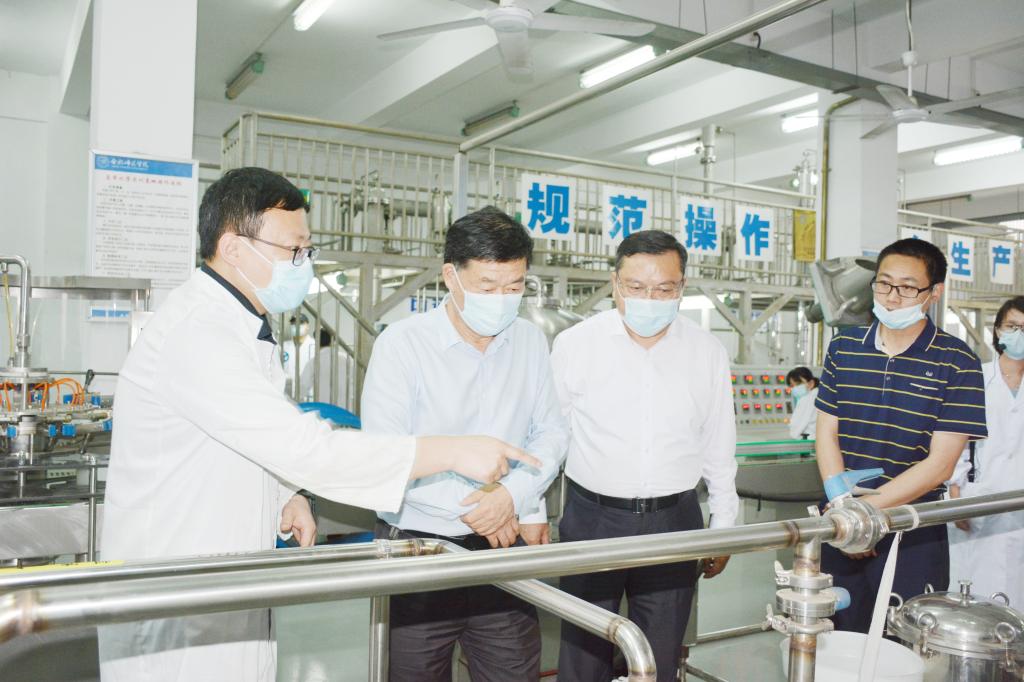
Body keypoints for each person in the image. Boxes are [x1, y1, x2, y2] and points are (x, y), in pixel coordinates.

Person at [97, 169, 537, 682]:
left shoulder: (242, 328)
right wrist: (453, 451)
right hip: (178, 585)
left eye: (307, 249)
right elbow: (308, 449)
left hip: (221, 573)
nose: (303, 264)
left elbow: (251, 435)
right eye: (294, 250)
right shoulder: (197, 334)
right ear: (234, 248)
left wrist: (285, 492)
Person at [361, 206, 568, 682]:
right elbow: (386, 454)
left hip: (501, 549)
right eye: (487, 287)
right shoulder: (402, 345)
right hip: (418, 551)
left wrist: (513, 496)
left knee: (513, 671)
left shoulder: (529, 341)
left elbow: (551, 433)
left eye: (514, 287)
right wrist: (485, 507)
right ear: (450, 277)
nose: (502, 300)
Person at [552, 230, 738, 682]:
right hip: (593, 520)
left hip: (674, 521)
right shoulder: (576, 344)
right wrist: (530, 510)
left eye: (664, 289)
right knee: (583, 653)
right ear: (615, 283)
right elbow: (551, 435)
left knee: (659, 655)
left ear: (682, 287)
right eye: (636, 287)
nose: (649, 300)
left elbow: (718, 441)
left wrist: (724, 525)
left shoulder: (706, 351)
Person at [815, 237, 988, 634]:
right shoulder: (844, 347)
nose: (892, 297)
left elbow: (940, 464)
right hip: (841, 522)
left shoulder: (957, 361)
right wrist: (844, 509)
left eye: (908, 287)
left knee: (905, 641)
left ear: (933, 293)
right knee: (836, 639)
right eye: (884, 283)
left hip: (913, 528)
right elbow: (826, 433)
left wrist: (865, 514)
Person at [948, 295, 1024, 606]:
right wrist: (956, 495)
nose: (1019, 334)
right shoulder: (975, 378)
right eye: (1012, 326)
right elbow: (954, 438)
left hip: (1019, 499)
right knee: (976, 598)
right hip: (979, 498)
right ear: (998, 330)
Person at [298, 328, 349, 406]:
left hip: (323, 409)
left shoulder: (314, 362)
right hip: (345, 409)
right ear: (333, 341)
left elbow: (302, 388)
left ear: (316, 342)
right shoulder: (347, 359)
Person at [281, 313, 316, 399]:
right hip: (287, 393)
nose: (296, 326)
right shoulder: (284, 346)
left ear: (307, 326)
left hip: (309, 395)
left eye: (300, 323)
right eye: (293, 323)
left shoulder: (315, 346)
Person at [786, 366, 819, 440]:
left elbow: (796, 428)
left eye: (798, 384)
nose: (795, 388)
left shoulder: (807, 399)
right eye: (792, 386)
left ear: (811, 383)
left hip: (810, 442)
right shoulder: (818, 395)